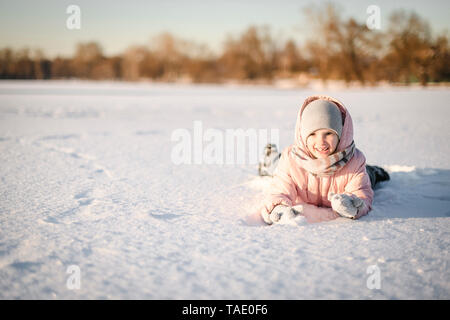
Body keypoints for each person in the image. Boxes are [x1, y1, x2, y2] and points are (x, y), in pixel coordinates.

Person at [259, 95, 390, 225]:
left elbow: (361, 193)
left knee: (368, 175)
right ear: (303, 135)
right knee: (275, 168)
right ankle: (270, 158)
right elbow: (280, 190)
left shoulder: (355, 160)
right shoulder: (291, 159)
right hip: (291, 162)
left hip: (353, 168)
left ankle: (375, 171)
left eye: (328, 133)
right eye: (312, 134)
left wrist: (352, 205)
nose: (321, 142)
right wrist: (277, 207)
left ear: (340, 133)